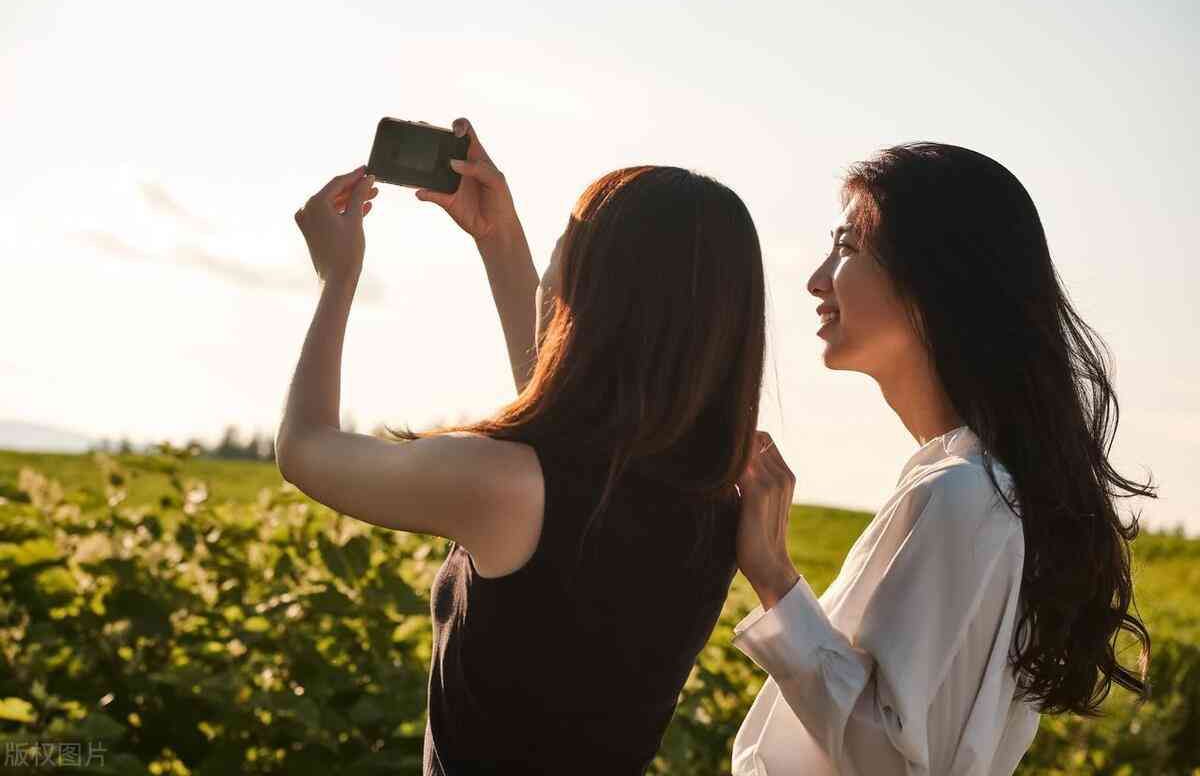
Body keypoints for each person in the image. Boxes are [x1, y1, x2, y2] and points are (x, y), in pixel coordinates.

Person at [279, 118, 767, 774]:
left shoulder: (503, 485)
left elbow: (305, 449)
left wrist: (336, 278)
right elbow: (571, 423)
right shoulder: (707, 502)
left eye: (566, 240)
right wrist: (497, 237)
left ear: (595, 292)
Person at [729, 142, 1155, 776]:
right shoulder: (970, 484)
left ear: (931, 279)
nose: (817, 278)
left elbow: (889, 761)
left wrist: (774, 578)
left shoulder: (964, 494)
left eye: (847, 246)